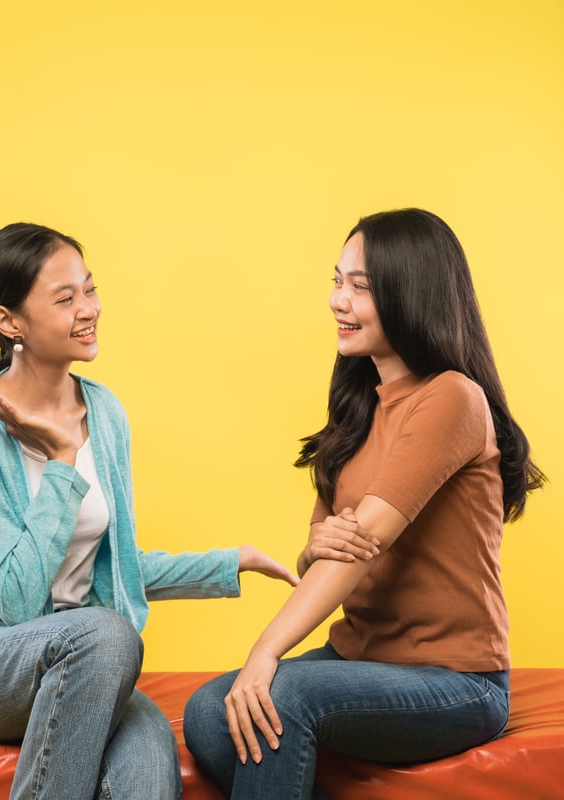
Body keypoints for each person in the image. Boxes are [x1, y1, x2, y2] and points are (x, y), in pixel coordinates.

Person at [0, 222, 298, 800]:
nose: (89, 309)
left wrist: (231, 562)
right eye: (65, 299)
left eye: (89, 289)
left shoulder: (105, 413)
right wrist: (61, 460)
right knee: (108, 636)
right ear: (9, 322)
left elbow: (110, 567)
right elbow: (16, 598)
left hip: (82, 662)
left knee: (149, 763)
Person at [183, 208, 545, 799]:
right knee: (207, 710)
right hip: (357, 659)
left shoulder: (451, 398)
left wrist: (264, 652)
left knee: (279, 694)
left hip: (455, 682)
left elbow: (357, 551)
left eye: (360, 286)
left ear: (410, 295)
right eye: (337, 280)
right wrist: (312, 551)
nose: (336, 300)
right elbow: (321, 558)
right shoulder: (358, 409)